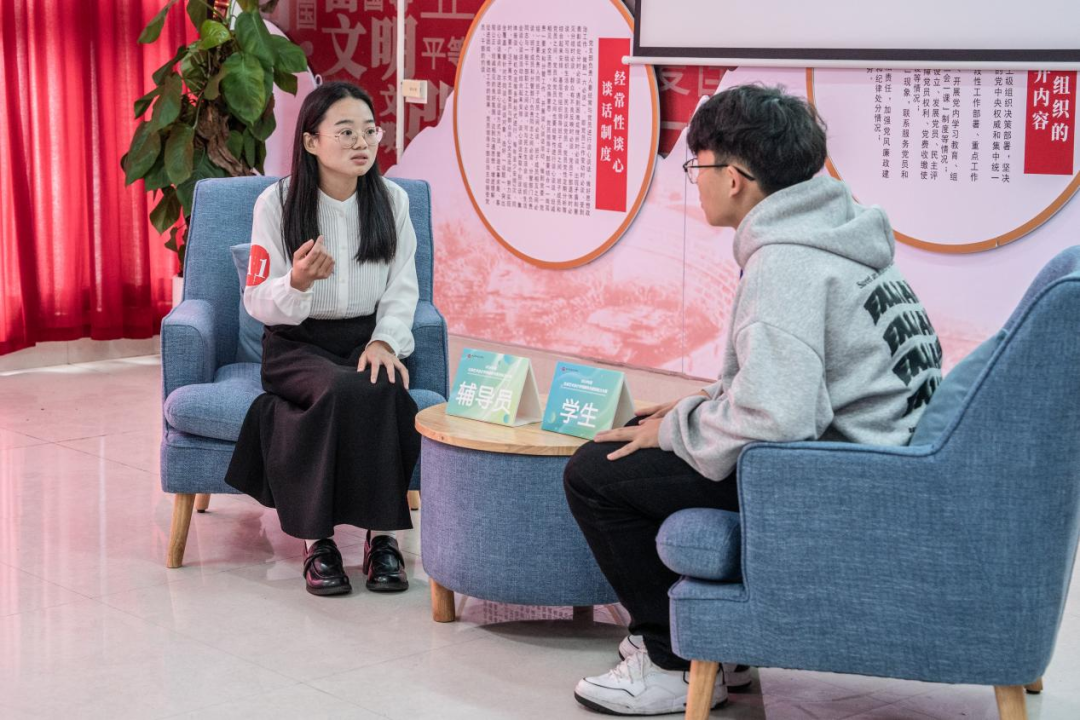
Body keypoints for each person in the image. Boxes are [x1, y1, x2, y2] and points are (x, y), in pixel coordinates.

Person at [564, 84, 943, 715]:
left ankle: (672, 660)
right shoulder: (836, 235)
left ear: (735, 178)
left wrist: (680, 429)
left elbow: (778, 417)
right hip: (871, 459)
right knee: (637, 432)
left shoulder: (785, 265)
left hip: (832, 478)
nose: (697, 182)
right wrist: (695, 407)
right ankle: (723, 648)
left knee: (593, 474)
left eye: (698, 167)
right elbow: (801, 379)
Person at [225, 81, 421, 598]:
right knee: (339, 389)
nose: (362, 143)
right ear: (311, 141)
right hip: (297, 342)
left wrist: (385, 342)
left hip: (366, 338)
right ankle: (319, 543)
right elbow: (257, 299)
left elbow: (403, 288)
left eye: (370, 131)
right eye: (346, 132)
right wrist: (296, 282)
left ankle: (383, 540)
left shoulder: (393, 200)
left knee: (382, 386)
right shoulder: (277, 202)